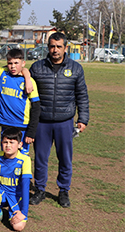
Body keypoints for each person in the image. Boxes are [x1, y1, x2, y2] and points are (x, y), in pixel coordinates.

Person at [29, 32, 89, 208]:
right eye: (52, 46)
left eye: (58, 46)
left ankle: (63, 191)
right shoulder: (37, 67)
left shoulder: (76, 68)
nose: (55, 50)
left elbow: (82, 96)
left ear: (65, 48)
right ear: (48, 47)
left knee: (65, 158)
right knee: (40, 158)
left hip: (65, 121)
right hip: (42, 122)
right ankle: (39, 190)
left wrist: (83, 119)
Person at [0, 48, 40, 155]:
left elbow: (36, 108)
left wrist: (31, 132)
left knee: (21, 159)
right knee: (7, 156)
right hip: (5, 124)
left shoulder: (30, 82)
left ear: (23, 63)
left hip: (22, 126)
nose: (13, 66)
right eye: (10, 63)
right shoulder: (2, 74)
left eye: (16, 63)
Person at [0, 127, 32, 231]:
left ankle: (12, 211)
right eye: (5, 142)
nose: (8, 145)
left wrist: (23, 213)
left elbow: (25, 186)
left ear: (20, 144)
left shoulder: (25, 159)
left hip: (16, 195)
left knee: (18, 227)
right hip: (0, 192)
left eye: (12, 142)